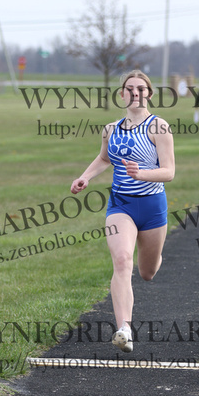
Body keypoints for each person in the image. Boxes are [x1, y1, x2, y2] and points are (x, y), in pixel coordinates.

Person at [71, 70, 175, 353]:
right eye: (129, 89)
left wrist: (141, 173)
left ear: (149, 94)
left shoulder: (159, 127)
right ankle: (124, 329)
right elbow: (104, 158)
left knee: (147, 272)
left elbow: (169, 172)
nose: (135, 93)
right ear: (122, 94)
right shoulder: (111, 129)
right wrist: (86, 177)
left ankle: (155, 256)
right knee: (121, 259)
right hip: (120, 205)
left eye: (141, 89)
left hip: (152, 206)